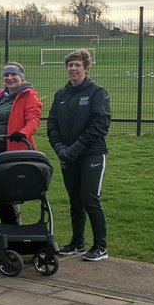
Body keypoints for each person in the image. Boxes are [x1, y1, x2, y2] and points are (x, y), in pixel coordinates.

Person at [47, 49, 111, 261]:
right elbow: (52, 125)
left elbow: (100, 125)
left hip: (91, 154)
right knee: (74, 200)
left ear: (86, 68)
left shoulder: (97, 93)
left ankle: (100, 247)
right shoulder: (61, 95)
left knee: (90, 198)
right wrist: (60, 149)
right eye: (70, 65)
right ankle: (77, 243)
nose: (73, 69)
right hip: (68, 156)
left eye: (77, 65)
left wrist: (74, 149)